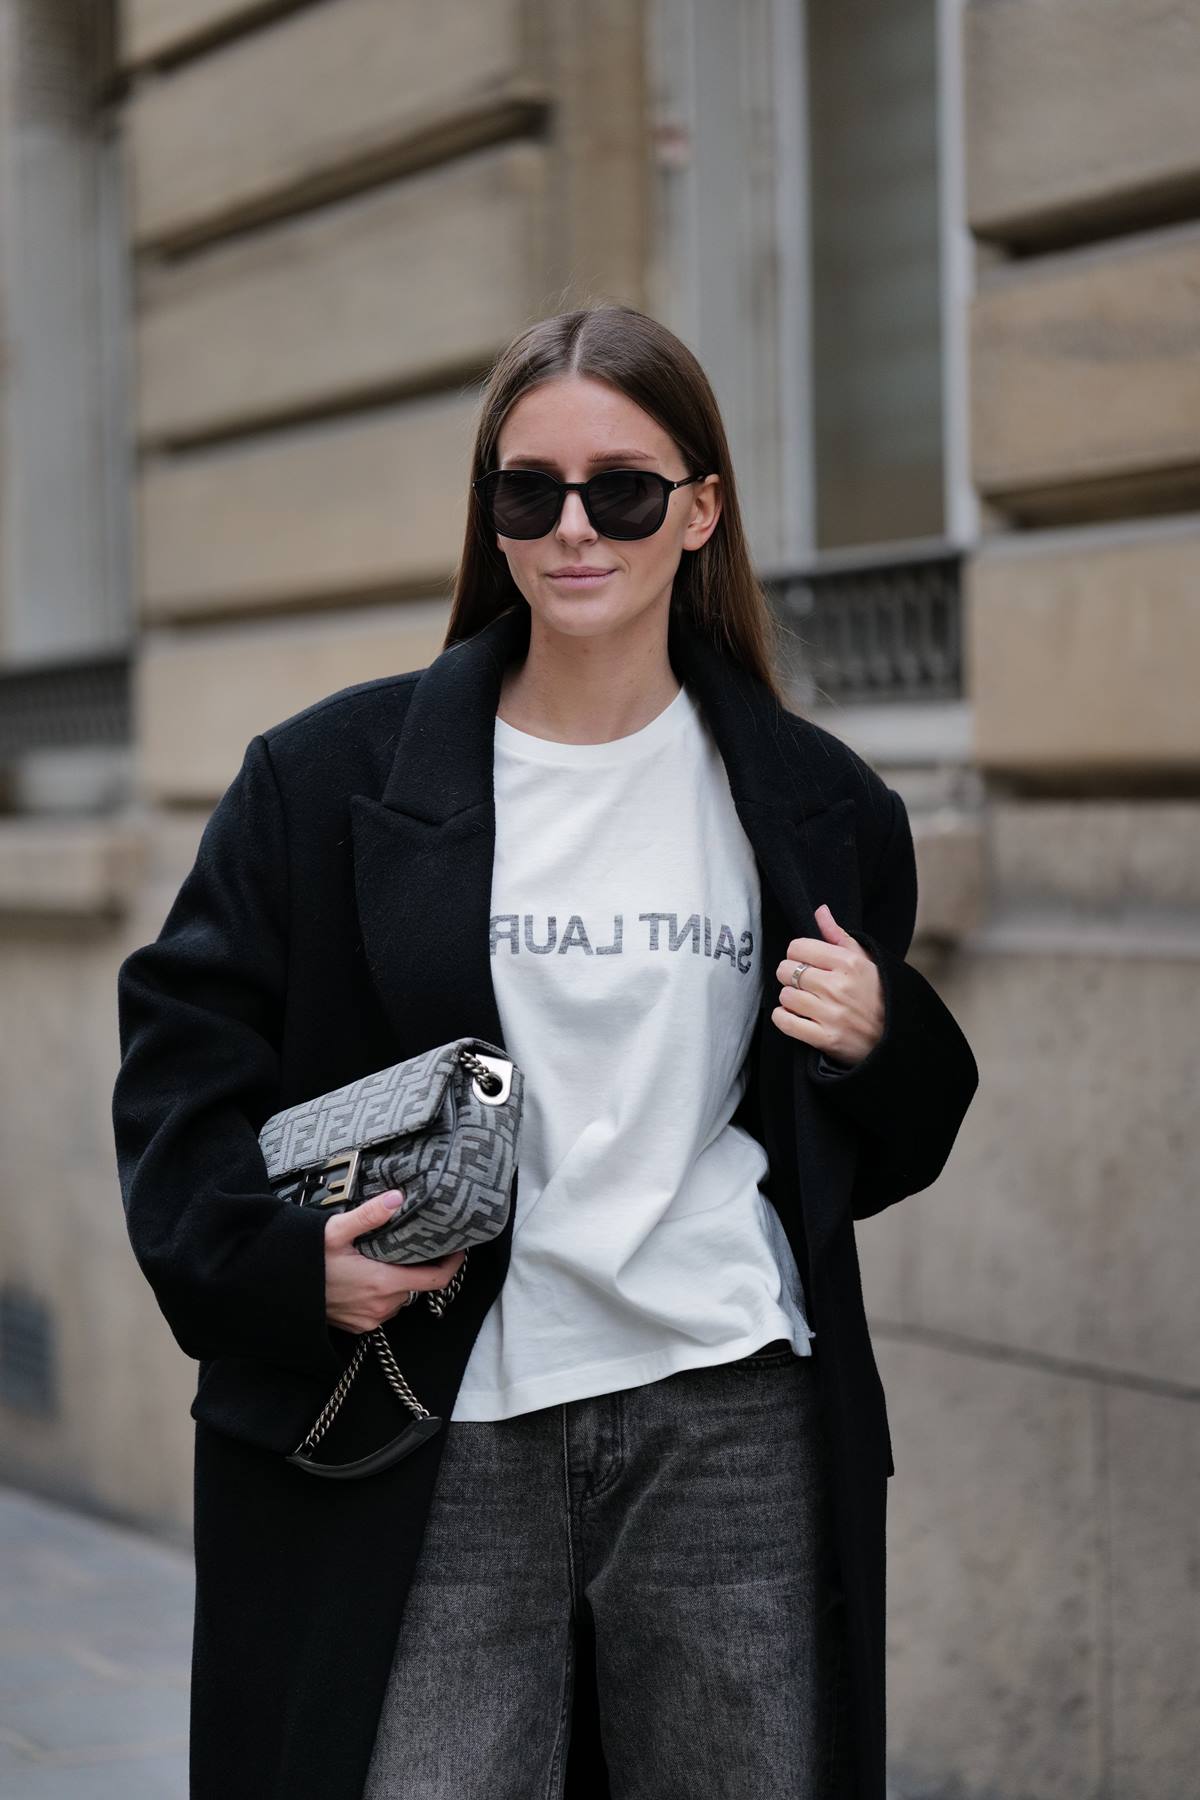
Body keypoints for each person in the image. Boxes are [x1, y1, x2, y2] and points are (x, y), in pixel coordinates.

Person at [112, 302, 979, 1800]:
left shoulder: (818, 807)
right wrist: (276, 1265)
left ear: (699, 511)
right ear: (494, 516)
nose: (575, 528)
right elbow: (179, 1064)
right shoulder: (326, 782)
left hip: (728, 1401)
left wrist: (884, 1040)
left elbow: (878, 1153)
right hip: (437, 1413)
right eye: (531, 491)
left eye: (623, 489)